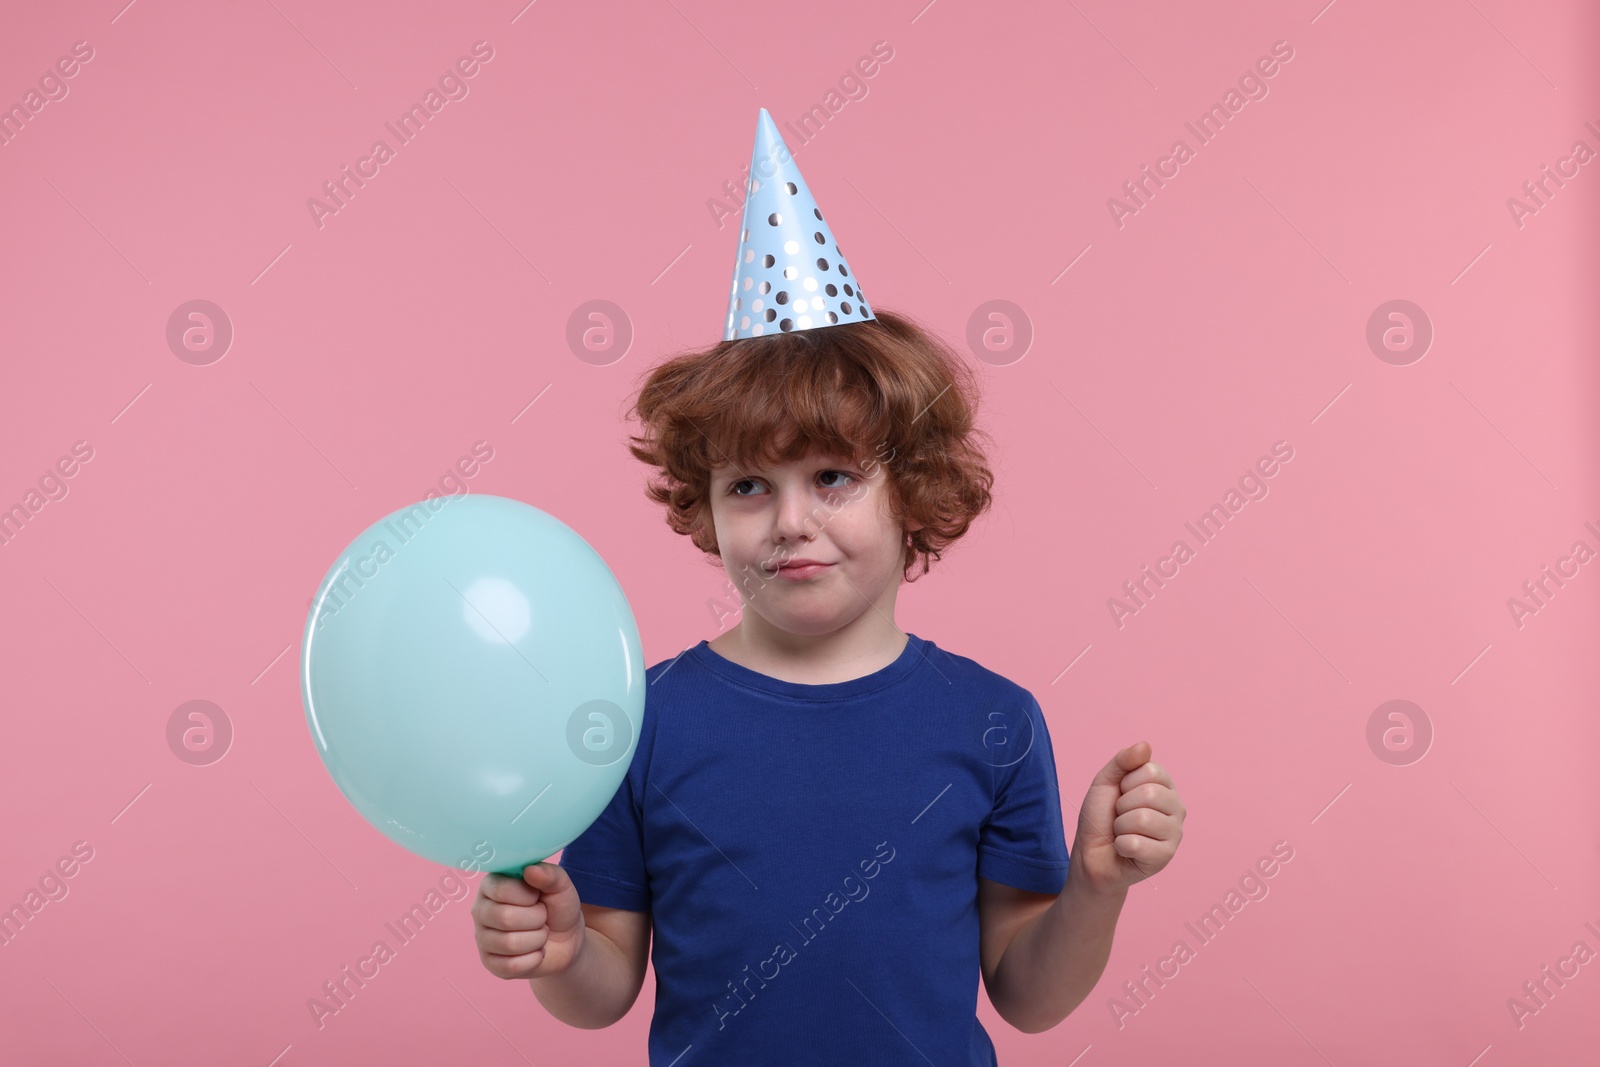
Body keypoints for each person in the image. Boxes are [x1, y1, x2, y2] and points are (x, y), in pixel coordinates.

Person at [470, 109, 1184, 1064]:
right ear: (706, 507)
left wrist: (1097, 885)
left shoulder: (995, 720)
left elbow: (1029, 996)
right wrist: (558, 953)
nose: (790, 521)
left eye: (834, 476)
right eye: (749, 486)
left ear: (915, 488)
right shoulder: (637, 722)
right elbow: (603, 990)